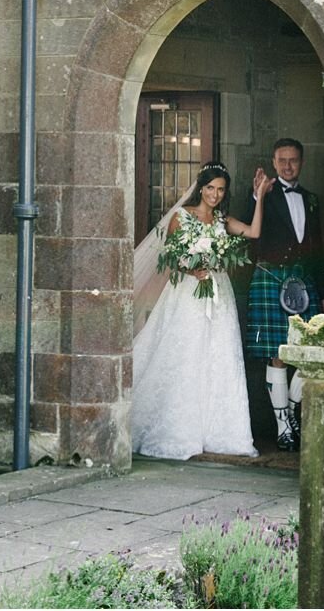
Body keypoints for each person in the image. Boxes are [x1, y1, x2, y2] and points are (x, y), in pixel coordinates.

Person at [130, 162, 269, 461]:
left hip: (219, 294)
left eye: (220, 190)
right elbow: (171, 258)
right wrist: (193, 269)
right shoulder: (182, 217)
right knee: (187, 354)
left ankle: (219, 432)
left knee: (219, 355)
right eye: (210, 188)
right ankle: (180, 429)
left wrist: (260, 197)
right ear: (200, 187)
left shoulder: (222, 219)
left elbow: (254, 232)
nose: (215, 195)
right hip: (189, 293)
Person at [245, 137, 324, 451]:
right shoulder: (263, 196)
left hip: (304, 279)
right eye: (282, 160)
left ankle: (292, 409)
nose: (287, 165)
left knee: (310, 350)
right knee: (278, 353)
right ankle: (284, 427)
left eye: (293, 160)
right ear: (273, 163)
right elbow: (251, 235)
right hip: (271, 277)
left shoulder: (311, 199)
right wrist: (257, 195)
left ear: (302, 161)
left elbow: (320, 246)